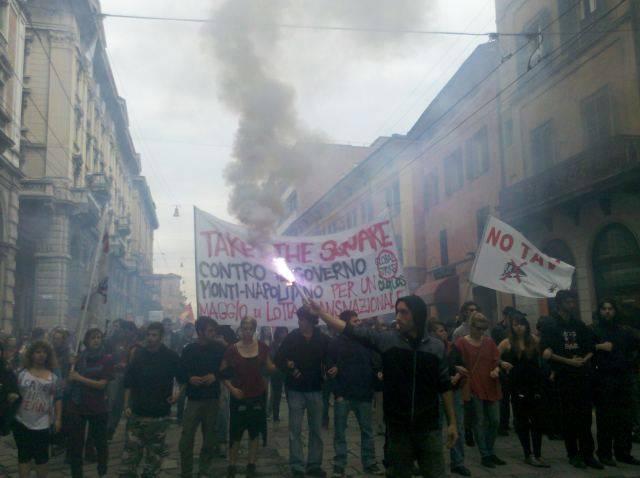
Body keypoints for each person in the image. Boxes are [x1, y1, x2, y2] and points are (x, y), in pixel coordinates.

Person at [304, 296, 457, 478]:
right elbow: (350, 330)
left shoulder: (436, 347)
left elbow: (444, 385)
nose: (398, 317)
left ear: (418, 315)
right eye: (397, 312)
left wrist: (452, 423)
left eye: (404, 312)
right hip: (398, 427)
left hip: (429, 427)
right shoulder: (388, 341)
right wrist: (321, 313)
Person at [539, 290, 602, 469]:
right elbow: (546, 352)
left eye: (573, 302)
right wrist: (568, 361)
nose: (572, 305)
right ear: (560, 303)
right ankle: (573, 454)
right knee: (569, 417)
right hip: (564, 376)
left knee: (585, 417)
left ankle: (588, 454)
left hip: (582, 375)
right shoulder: (550, 324)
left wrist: (583, 359)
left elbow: (590, 347)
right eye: (568, 302)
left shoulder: (578, 324)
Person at [119, 321, 180, 478]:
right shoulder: (138, 355)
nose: (150, 338)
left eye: (154, 335)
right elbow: (129, 382)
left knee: (154, 457)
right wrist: (126, 405)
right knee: (130, 457)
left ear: (161, 337)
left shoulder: (170, 356)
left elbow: (181, 378)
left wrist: (177, 393)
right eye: (148, 335)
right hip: (137, 412)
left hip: (159, 414)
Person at [274, 307, 330, 478]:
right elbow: (278, 359)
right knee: (295, 430)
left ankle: (314, 464)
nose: (299, 322)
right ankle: (297, 465)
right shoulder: (292, 337)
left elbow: (331, 358)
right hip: (295, 390)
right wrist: (290, 368)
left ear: (311, 321)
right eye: (299, 319)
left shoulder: (322, 339)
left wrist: (330, 369)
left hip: (316, 389)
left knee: (316, 430)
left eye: (302, 319)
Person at [327, 311, 383, 478]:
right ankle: (339, 465)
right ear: (345, 324)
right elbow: (329, 369)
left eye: (359, 320)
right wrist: (337, 393)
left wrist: (377, 375)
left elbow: (374, 362)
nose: (359, 323)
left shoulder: (365, 341)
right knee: (340, 433)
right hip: (343, 395)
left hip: (364, 394)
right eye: (355, 321)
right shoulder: (335, 343)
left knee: (367, 432)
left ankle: (370, 463)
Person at [220, 317, 276, 478]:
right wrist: (231, 389)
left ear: (254, 329)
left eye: (250, 328)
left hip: (258, 395)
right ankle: (232, 465)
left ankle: (251, 464)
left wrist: (284, 361)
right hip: (239, 396)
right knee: (236, 432)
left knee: (254, 432)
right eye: (244, 328)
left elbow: (270, 367)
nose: (247, 331)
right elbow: (222, 373)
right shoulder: (232, 350)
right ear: (240, 329)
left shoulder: (262, 347)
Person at [452, 312, 506, 469]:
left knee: (495, 420)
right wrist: (458, 370)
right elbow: (454, 360)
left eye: (483, 328)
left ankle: (490, 450)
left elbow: (495, 360)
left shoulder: (489, 342)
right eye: (478, 328)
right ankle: (485, 454)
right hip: (473, 385)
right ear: (471, 326)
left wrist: (497, 369)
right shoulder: (461, 342)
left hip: (490, 383)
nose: (481, 331)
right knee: (479, 421)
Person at [591, 298, 640, 466]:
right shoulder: (593, 330)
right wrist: (598, 347)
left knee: (625, 418)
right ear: (599, 311)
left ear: (615, 311)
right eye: (604, 308)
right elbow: (585, 349)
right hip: (603, 378)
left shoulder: (624, 330)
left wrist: (631, 363)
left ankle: (623, 452)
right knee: (605, 418)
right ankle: (604, 453)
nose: (607, 311)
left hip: (623, 377)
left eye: (610, 308)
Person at [498, 313, 549, 467]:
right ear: (512, 327)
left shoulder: (534, 340)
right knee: (522, 420)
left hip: (534, 384)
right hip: (517, 385)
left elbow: (544, 355)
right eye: (515, 324)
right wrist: (501, 363)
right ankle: (528, 453)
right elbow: (493, 356)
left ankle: (538, 453)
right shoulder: (507, 342)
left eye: (521, 324)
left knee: (537, 420)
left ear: (526, 325)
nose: (519, 327)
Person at [177, 316, 226, 478]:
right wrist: (190, 378)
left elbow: (228, 369)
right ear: (200, 332)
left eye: (214, 330)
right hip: (194, 400)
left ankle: (204, 470)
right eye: (210, 330)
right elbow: (180, 372)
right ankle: (186, 472)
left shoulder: (219, 349)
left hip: (212, 398)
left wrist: (215, 376)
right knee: (186, 438)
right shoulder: (189, 350)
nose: (213, 333)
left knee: (210, 438)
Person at [66, 328, 114, 478]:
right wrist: (70, 365)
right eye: (93, 337)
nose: (96, 340)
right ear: (86, 340)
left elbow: (102, 384)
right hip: (77, 405)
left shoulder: (106, 359)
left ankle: (102, 470)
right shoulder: (79, 358)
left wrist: (79, 378)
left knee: (100, 442)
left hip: (97, 406)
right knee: (76, 444)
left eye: (98, 337)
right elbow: (69, 381)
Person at [13, 340, 63, 478]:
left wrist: (58, 419)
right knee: (23, 456)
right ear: (31, 354)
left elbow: (58, 398)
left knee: (42, 457)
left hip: (43, 423)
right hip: (21, 421)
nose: (41, 355)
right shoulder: (21, 373)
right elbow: (14, 392)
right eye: (38, 352)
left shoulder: (53, 376)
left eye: (44, 352)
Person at [431, 321, 470, 477]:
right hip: (436, 392)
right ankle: (435, 461)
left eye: (444, 330)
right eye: (440, 331)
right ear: (432, 333)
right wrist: (451, 371)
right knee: (436, 427)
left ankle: (458, 462)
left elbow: (462, 365)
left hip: (454, 391)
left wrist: (457, 375)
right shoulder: (430, 348)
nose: (444, 333)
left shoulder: (452, 348)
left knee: (457, 426)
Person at [452, 301, 480, 448]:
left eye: (475, 309)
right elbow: (454, 353)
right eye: (470, 310)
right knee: (468, 405)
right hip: (466, 373)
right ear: (465, 312)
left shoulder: (483, 329)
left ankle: (477, 431)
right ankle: (468, 431)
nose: (473, 312)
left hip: (480, 373)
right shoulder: (458, 332)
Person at [214, 325, 237, 458]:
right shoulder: (213, 331)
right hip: (212, 378)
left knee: (223, 411)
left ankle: (222, 441)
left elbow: (237, 354)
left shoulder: (231, 335)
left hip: (227, 379)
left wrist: (225, 345)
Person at [492, 307, 515, 436]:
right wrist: (500, 363)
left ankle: (515, 422)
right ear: (505, 316)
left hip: (514, 366)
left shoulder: (513, 328)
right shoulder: (498, 329)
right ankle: (503, 425)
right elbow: (495, 350)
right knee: (504, 398)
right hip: (503, 366)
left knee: (514, 397)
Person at [269, 327, 288, 422]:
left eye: (285, 332)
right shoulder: (273, 345)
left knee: (289, 394)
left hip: (286, 372)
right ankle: (275, 416)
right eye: (282, 332)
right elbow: (272, 357)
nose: (283, 334)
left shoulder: (289, 344)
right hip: (276, 373)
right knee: (276, 395)